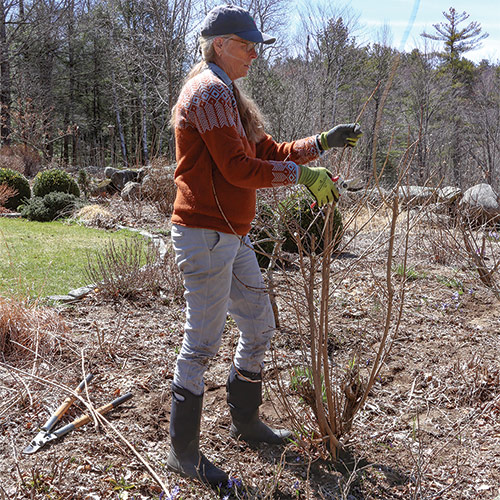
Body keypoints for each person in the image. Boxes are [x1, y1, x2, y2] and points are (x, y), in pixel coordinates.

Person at [167, 4, 362, 485]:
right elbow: (237, 168)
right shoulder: (209, 93)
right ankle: (184, 453)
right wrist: (301, 175)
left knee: (258, 326)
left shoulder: (228, 93)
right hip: (207, 235)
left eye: (257, 46)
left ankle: (246, 421)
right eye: (246, 45)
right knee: (201, 343)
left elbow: (266, 152)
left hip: (230, 236)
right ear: (220, 45)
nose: (255, 54)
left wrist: (320, 142)